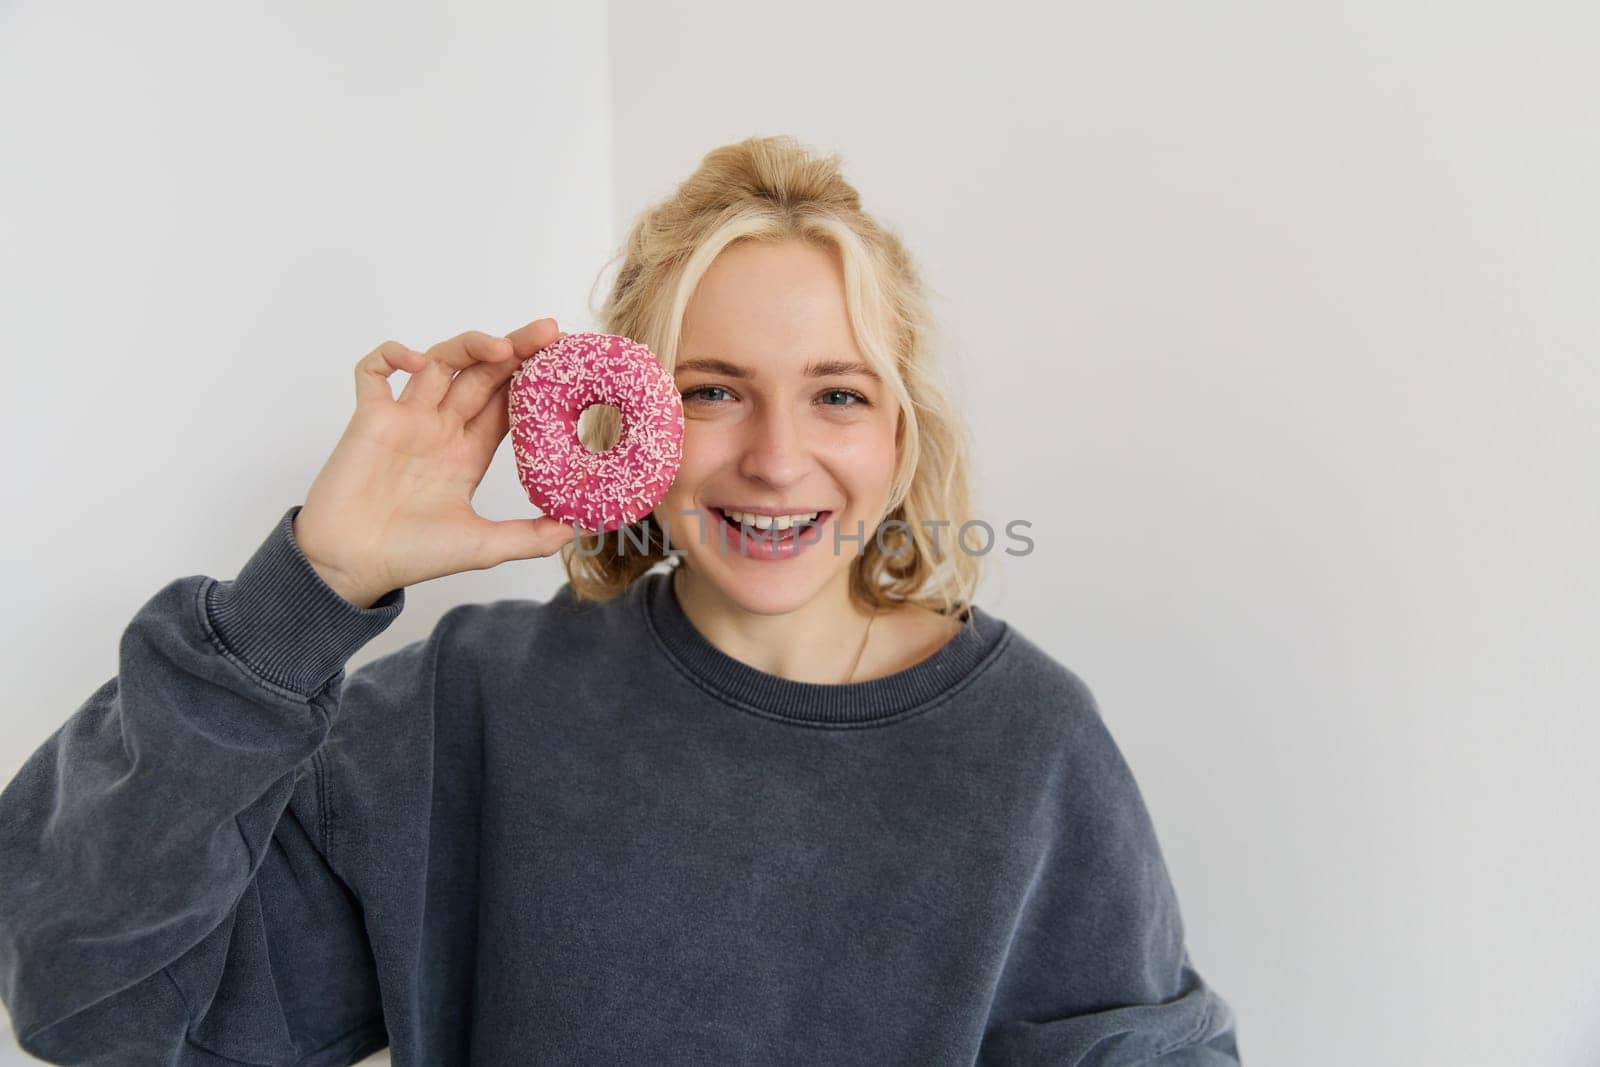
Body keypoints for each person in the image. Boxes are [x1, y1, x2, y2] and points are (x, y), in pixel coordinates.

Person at [0, 135, 1240, 1065]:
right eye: (710, 390)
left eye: (838, 393)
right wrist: (311, 591)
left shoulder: (1031, 747)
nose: (772, 458)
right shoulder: (470, 705)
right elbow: (92, 1000)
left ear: (905, 433)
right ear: (625, 413)